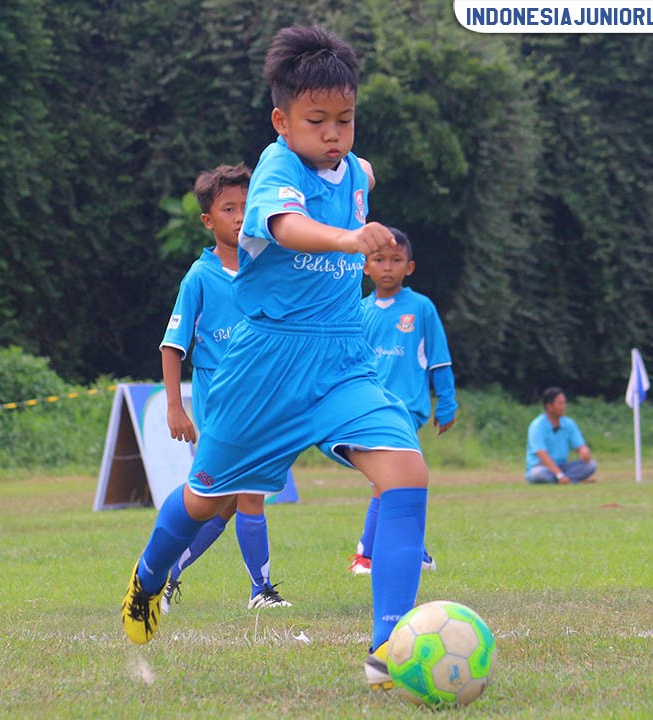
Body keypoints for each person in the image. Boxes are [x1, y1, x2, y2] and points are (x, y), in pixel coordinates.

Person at [121, 26, 429, 693]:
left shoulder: (351, 169)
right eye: (316, 121)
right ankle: (148, 579)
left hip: (342, 360)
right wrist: (351, 238)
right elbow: (288, 228)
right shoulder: (275, 171)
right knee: (207, 500)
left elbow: (362, 173)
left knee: (405, 473)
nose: (333, 135)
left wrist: (361, 185)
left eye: (345, 121)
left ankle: (389, 646)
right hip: (263, 367)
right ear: (281, 122)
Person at [158, 163, 291, 612]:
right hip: (220, 401)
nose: (239, 217)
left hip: (263, 401)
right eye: (227, 208)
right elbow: (172, 345)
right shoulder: (199, 277)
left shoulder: (266, 268)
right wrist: (176, 407)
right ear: (208, 220)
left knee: (230, 503)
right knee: (237, 494)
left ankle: (168, 574)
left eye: (245, 207)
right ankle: (261, 591)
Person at [348, 228, 456, 576]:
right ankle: (405, 552)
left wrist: (447, 401)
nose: (387, 267)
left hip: (407, 409)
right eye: (379, 260)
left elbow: (438, 358)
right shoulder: (358, 311)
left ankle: (372, 554)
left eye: (396, 260)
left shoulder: (421, 308)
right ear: (365, 266)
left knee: (393, 480)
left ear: (409, 267)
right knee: (394, 482)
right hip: (371, 409)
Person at [525, 387, 597, 484]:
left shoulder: (568, 423)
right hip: (543, 467)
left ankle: (565, 480)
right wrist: (559, 474)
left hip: (563, 465)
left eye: (564, 403)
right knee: (537, 474)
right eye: (560, 403)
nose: (564, 406)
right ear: (549, 406)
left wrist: (584, 451)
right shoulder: (537, 426)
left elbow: (580, 445)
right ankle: (571, 480)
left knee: (591, 465)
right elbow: (542, 454)